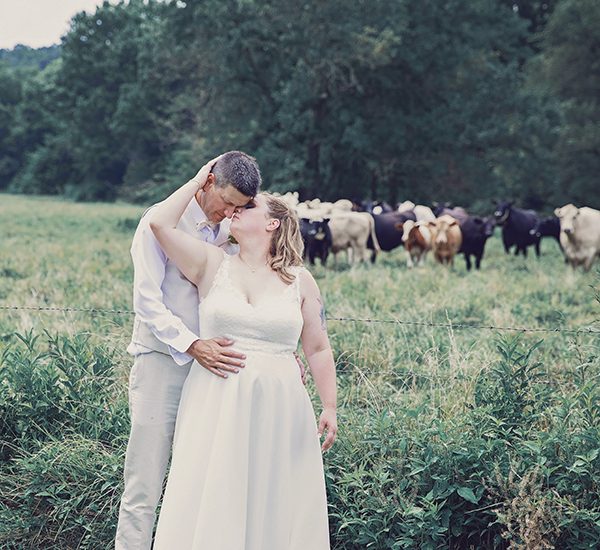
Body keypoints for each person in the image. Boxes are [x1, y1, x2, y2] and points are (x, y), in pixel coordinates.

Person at [149, 156, 337, 549]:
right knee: (212, 490)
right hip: (216, 399)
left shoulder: (300, 280)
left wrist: (329, 406)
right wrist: (199, 179)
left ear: (273, 224)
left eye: (248, 207)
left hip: (280, 404)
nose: (235, 210)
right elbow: (159, 224)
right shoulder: (211, 263)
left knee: (275, 496)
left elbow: (318, 348)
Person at [115, 151, 262, 549]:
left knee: (199, 480)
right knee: (144, 481)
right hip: (162, 361)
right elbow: (146, 301)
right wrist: (193, 344)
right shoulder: (160, 221)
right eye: (226, 201)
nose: (229, 213)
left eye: (239, 207)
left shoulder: (232, 231)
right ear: (208, 181)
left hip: (213, 372)